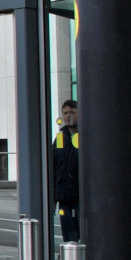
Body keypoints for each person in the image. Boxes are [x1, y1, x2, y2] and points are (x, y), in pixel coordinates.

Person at [53, 99, 80, 242]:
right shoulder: (60, 137)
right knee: (68, 230)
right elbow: (53, 167)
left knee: (82, 229)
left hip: (81, 195)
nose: (68, 116)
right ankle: (71, 257)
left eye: (72, 112)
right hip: (64, 196)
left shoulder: (86, 136)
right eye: (65, 113)